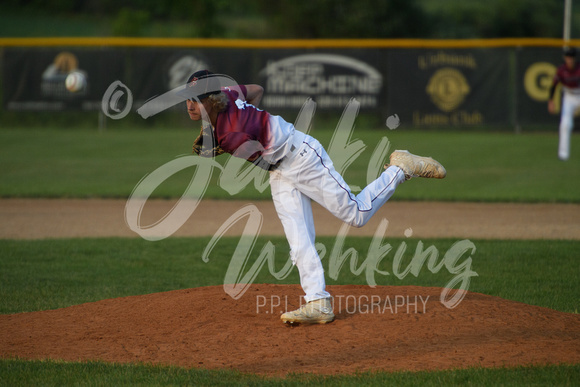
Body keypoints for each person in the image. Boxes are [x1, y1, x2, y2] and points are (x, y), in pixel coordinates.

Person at [183, 70, 446, 325]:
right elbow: (257, 91)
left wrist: (229, 138)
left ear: (210, 99)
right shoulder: (229, 94)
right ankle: (318, 302)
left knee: (356, 214)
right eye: (188, 98)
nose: (189, 105)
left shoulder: (229, 136)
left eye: (195, 99)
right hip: (280, 172)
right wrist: (250, 116)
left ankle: (401, 167)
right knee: (298, 239)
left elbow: (257, 157)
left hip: (302, 159)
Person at [548, 47, 580, 161]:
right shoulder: (561, 70)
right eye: (568, 57)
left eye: (572, 58)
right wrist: (551, 100)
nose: (570, 60)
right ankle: (563, 154)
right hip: (569, 96)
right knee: (565, 124)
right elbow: (554, 85)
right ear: (565, 58)